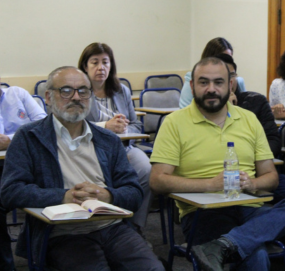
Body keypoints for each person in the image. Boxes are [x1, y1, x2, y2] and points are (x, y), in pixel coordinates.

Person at [150, 57, 285, 271]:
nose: (211, 89)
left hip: (248, 205)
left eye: (218, 82)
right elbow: (157, 181)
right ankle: (232, 243)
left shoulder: (249, 119)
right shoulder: (174, 123)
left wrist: (252, 184)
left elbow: (270, 177)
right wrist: (210, 184)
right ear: (191, 86)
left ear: (230, 84)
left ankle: (223, 245)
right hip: (202, 212)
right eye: (203, 82)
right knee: (256, 255)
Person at [0, 67, 164, 271]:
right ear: (49, 97)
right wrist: (63, 196)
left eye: (83, 91)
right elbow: (10, 192)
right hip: (61, 232)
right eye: (66, 91)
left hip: (111, 227)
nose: (76, 97)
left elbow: (133, 191)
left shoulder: (108, 140)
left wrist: (108, 196)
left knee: (153, 269)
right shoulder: (29, 138)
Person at [77, 42, 152, 233]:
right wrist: (107, 127)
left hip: (124, 149)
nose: (101, 67)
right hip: (91, 151)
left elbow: (137, 125)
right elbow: (76, 127)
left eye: (105, 62)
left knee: (146, 169)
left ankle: (135, 226)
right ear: (85, 66)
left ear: (111, 66)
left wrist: (124, 129)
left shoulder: (122, 91)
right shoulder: (79, 92)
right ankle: (109, 227)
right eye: (94, 62)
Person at [0, 81, 47, 271]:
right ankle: (6, 265)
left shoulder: (17, 94)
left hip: (29, 163)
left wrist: (11, 140)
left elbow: (43, 124)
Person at [214, 53, 280, 158]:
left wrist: (250, 157)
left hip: (251, 166)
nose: (229, 81)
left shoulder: (257, 101)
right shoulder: (206, 108)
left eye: (232, 75)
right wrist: (227, 109)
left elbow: (273, 141)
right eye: (222, 77)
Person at [179, 37, 246, 108]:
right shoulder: (194, 78)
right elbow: (184, 109)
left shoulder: (238, 81)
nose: (226, 63)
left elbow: (245, 109)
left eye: (228, 58)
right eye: (221, 59)